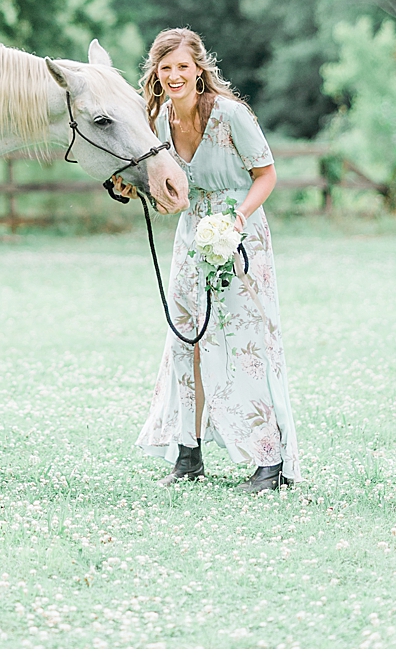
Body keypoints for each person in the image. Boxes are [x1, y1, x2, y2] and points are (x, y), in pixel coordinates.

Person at [125, 28, 299, 493]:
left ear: (199, 68)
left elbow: (266, 175)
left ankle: (269, 461)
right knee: (188, 341)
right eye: (166, 69)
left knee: (245, 342)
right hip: (191, 238)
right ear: (156, 75)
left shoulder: (230, 115)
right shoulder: (159, 121)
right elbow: (169, 191)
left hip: (240, 237)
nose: (175, 75)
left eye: (183, 66)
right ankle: (188, 451)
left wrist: (237, 219)